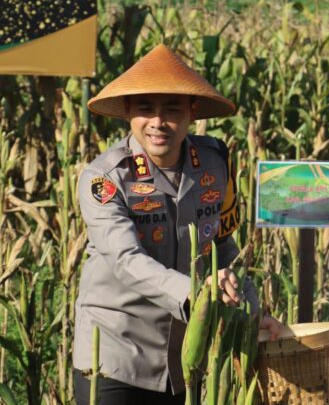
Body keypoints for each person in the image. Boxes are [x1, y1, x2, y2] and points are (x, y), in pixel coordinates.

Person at [73, 44, 281, 404]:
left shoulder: (214, 163)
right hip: (116, 356)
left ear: (192, 111)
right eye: (145, 108)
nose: (158, 122)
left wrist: (251, 312)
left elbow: (221, 246)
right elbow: (126, 260)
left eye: (172, 109)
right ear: (128, 112)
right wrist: (198, 293)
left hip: (186, 358)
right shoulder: (104, 178)